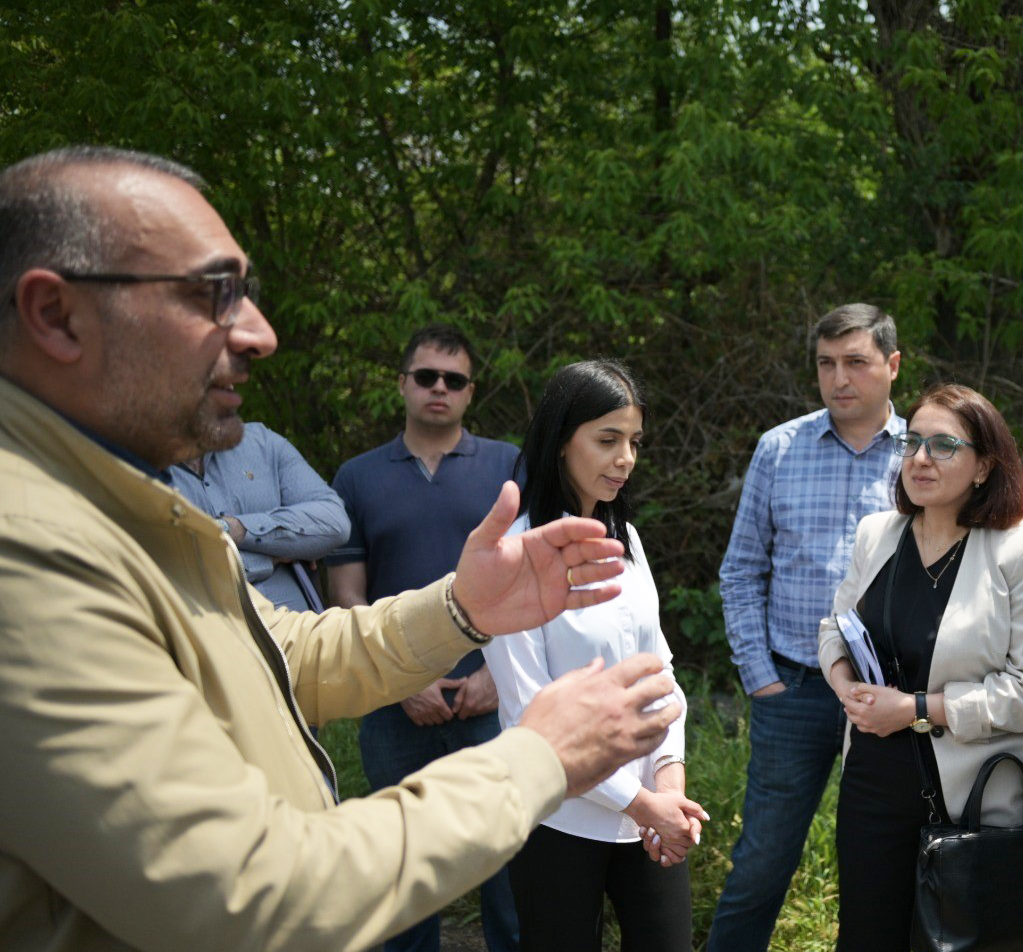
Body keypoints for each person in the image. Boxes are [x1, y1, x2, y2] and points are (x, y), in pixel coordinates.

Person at [0, 145, 680, 952]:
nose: (260, 332)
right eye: (213, 293)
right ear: (56, 314)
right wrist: (539, 756)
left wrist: (461, 609)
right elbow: (251, 895)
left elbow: (286, 651)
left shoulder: (121, 506)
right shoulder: (29, 550)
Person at [819, 382, 1023, 952]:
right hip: (873, 781)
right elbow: (835, 627)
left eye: (943, 446)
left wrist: (912, 710)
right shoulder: (877, 533)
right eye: (912, 442)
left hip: (973, 792)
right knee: (867, 936)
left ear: (984, 466)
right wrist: (844, 685)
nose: (920, 458)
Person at [482, 359, 704, 952]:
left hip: (647, 814)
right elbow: (531, 716)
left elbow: (660, 674)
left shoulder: (626, 540)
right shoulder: (514, 553)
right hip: (557, 816)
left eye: (634, 441)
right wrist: (643, 803)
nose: (625, 458)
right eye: (607, 440)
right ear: (561, 440)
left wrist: (669, 781)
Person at [708, 303, 905, 951]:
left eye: (856, 361)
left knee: (880, 862)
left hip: (887, 697)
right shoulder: (780, 448)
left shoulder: (924, 453)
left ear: (892, 365)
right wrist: (759, 675)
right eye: (826, 363)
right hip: (791, 687)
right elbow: (741, 570)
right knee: (763, 860)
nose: (839, 378)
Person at [326, 323, 523, 952]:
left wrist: (500, 674)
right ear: (402, 383)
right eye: (427, 376)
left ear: (470, 392)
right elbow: (348, 594)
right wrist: (400, 679)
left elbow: (532, 579)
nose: (440, 388)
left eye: (454, 379)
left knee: (510, 865)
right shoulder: (356, 477)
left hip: (493, 698)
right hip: (395, 704)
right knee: (402, 865)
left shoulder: (509, 467)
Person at [170, 421, 349, 612]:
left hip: (303, 628)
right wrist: (273, 555)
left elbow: (335, 523)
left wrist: (234, 529)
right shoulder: (147, 474)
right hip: (209, 627)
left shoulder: (261, 442)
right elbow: (175, 574)